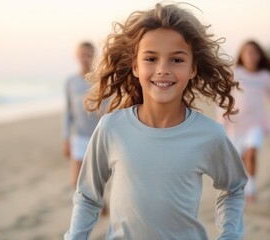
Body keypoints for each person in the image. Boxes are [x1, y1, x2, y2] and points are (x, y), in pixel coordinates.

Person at [65, 3, 248, 240]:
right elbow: (88, 195)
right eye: (151, 58)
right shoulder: (112, 128)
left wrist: (230, 235)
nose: (162, 69)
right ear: (135, 66)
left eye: (177, 60)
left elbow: (234, 187)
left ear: (193, 68)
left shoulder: (210, 134)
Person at [217, 40, 270, 203]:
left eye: (255, 52)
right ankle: (239, 189)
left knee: (251, 154)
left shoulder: (265, 77)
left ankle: (251, 190)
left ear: (260, 55)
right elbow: (224, 97)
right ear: (242, 56)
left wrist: (269, 122)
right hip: (236, 125)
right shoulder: (236, 73)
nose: (252, 56)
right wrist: (221, 120)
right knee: (239, 160)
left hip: (256, 124)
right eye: (248, 52)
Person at [63, 41, 100, 188]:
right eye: (82, 55)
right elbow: (68, 112)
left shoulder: (101, 79)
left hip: (98, 137)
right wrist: (65, 139)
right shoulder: (71, 82)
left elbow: (108, 109)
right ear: (76, 56)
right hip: (79, 136)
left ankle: (102, 206)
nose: (85, 58)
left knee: (97, 184)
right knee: (76, 182)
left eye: (89, 55)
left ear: (94, 56)